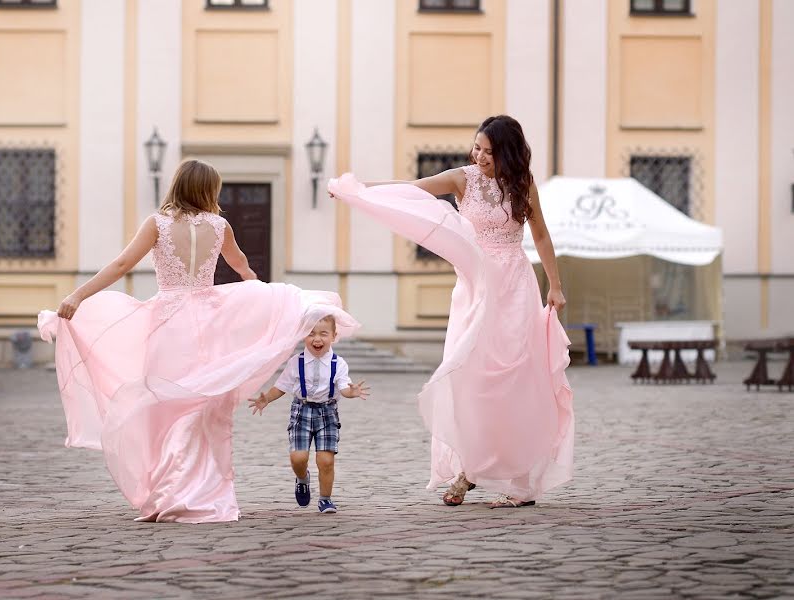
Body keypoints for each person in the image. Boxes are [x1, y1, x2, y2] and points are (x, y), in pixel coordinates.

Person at [38, 159, 358, 523]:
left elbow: (122, 264)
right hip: (207, 324)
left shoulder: (157, 223)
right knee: (205, 407)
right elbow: (244, 270)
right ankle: (206, 491)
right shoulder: (219, 226)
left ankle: (169, 491)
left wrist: (78, 296)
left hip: (168, 325)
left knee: (164, 406)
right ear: (208, 190)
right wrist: (262, 301)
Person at [328, 115, 574, 509]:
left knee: (515, 377)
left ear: (507, 153)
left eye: (488, 152)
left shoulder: (522, 183)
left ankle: (521, 481)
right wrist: (357, 191)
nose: (479, 157)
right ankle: (469, 469)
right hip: (476, 286)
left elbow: (541, 234)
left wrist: (556, 286)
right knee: (468, 376)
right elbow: (411, 190)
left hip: (515, 285)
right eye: (476, 147)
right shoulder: (463, 178)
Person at [248, 315, 370, 514]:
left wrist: (351, 392)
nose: (317, 339)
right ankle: (302, 478)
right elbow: (282, 387)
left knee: (326, 460)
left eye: (323, 334)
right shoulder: (296, 362)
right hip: (301, 410)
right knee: (298, 458)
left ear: (334, 336)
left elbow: (344, 387)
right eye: (311, 334)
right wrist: (266, 399)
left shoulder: (338, 364)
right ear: (303, 336)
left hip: (327, 412)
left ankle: (325, 499)